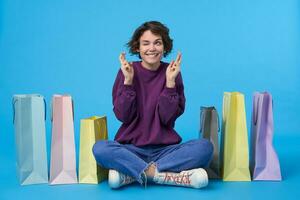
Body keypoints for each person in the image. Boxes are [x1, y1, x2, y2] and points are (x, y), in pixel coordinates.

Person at [93, 21, 213, 189]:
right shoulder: (127, 71)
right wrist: (128, 81)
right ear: (137, 48)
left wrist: (170, 82)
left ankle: (133, 174)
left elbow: (167, 119)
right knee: (100, 148)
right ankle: (164, 176)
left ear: (164, 47)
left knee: (204, 147)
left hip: (166, 151)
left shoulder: (172, 72)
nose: (152, 48)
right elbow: (123, 116)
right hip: (131, 150)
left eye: (157, 42)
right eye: (146, 43)